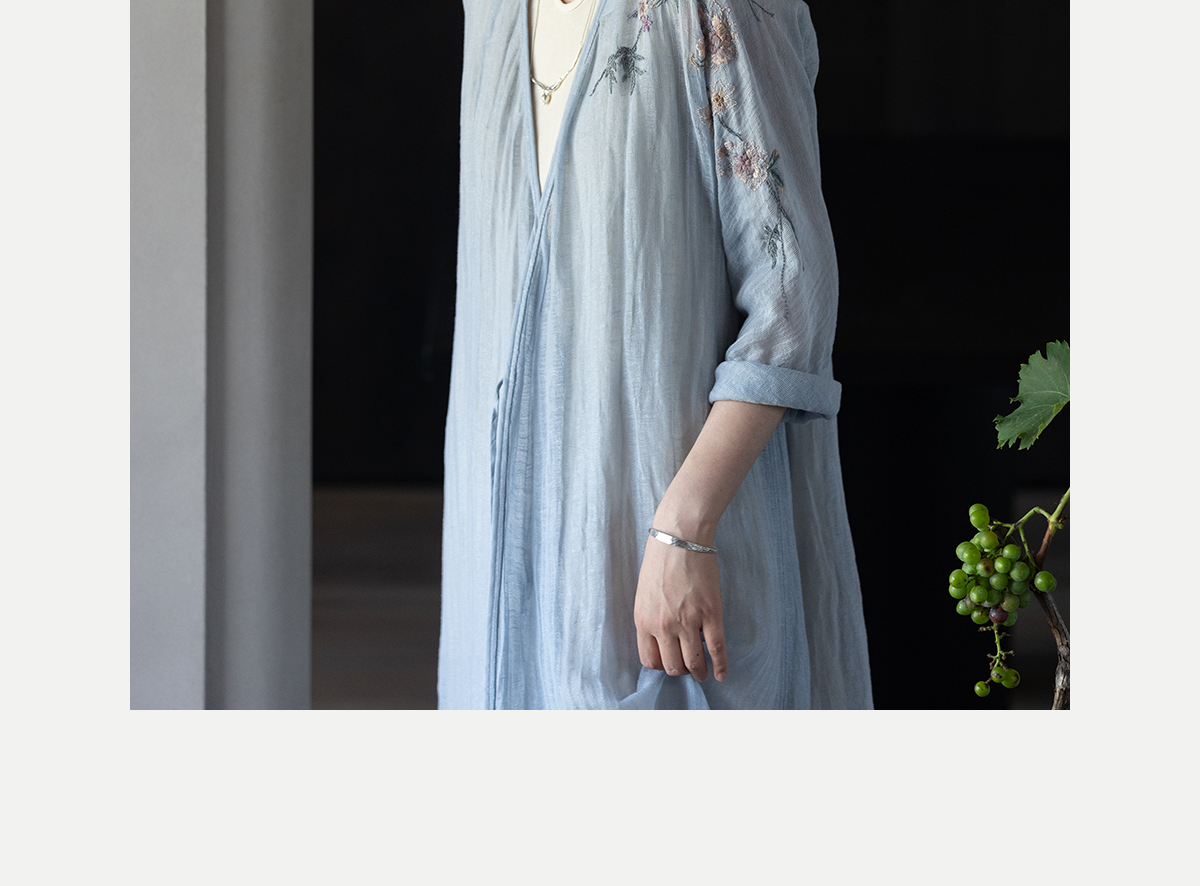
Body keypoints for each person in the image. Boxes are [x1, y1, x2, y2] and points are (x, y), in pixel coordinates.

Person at [438, 0, 873, 709]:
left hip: (676, 560)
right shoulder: (489, 14)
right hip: (503, 570)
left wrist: (684, 531)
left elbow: (791, 293)